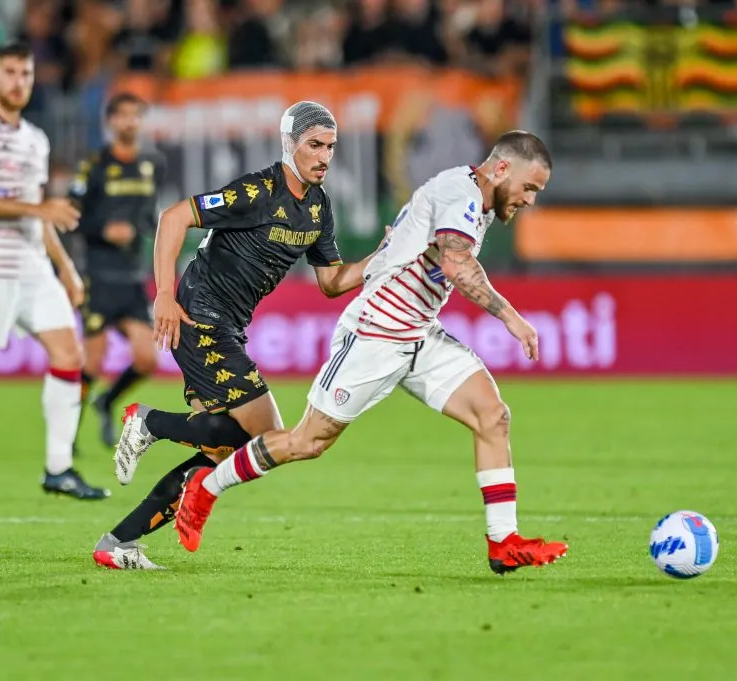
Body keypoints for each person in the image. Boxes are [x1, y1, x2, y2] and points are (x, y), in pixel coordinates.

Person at [172, 131, 569, 574]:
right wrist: (511, 316)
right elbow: (457, 263)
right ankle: (207, 487)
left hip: (418, 333)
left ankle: (503, 542)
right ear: (501, 169)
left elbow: (441, 256)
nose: (530, 200)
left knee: (492, 417)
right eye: (529, 188)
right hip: (375, 334)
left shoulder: (473, 198)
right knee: (308, 442)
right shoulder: (459, 194)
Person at [93, 101, 384, 569]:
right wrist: (164, 294)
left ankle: (118, 542)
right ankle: (149, 423)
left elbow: (331, 282)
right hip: (199, 314)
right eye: (314, 145)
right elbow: (174, 218)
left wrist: (383, 258)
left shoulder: (318, 208)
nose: (324, 155)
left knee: (224, 446)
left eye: (331, 146)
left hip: (229, 324)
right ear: (290, 144)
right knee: (269, 435)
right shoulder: (258, 191)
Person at [0, 41, 109, 502]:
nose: (19, 81)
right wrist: (39, 207)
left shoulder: (36, 138)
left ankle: (59, 469)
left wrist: (66, 267)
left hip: (32, 264)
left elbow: (43, 214)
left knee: (69, 353)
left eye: (26, 74)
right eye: (11, 72)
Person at [68, 92, 164, 449]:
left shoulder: (149, 166)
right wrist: (103, 229)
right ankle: (68, 433)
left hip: (130, 278)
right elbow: (71, 215)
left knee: (147, 358)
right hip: (98, 275)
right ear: (111, 121)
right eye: (123, 115)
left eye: (135, 116)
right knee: (92, 359)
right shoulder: (94, 166)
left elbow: (149, 217)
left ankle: (106, 402)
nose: (129, 122)